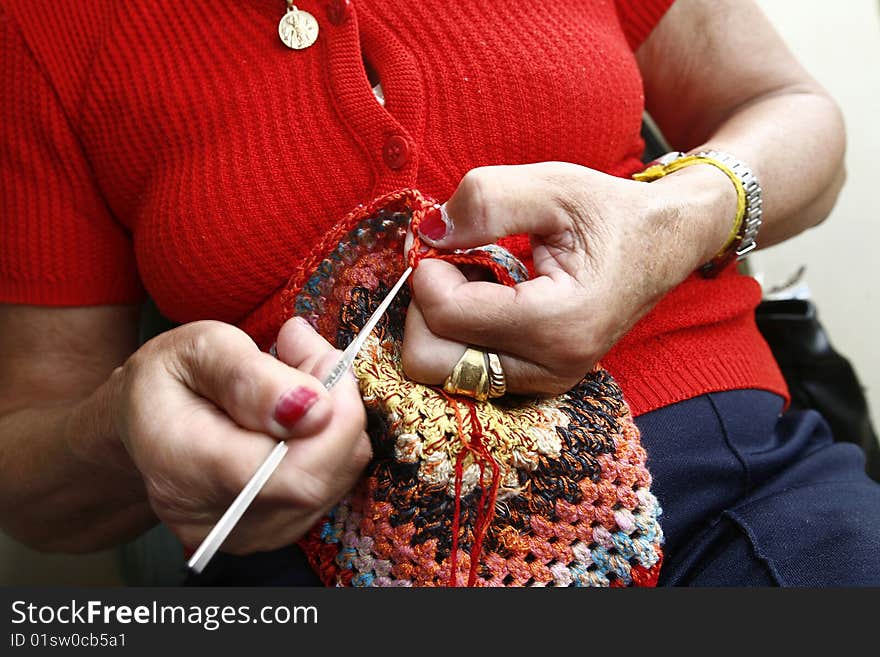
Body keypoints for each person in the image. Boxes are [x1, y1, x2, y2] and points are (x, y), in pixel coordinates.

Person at [0, 0, 877, 586]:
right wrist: (121, 427)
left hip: (741, 500)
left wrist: (674, 219)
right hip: (316, 566)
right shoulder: (43, 29)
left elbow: (798, 115)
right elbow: (31, 469)